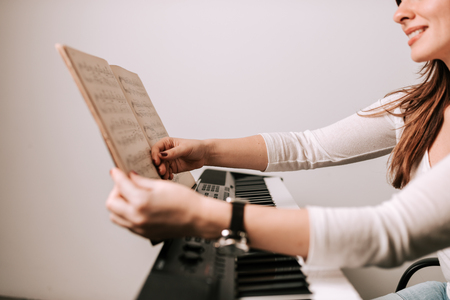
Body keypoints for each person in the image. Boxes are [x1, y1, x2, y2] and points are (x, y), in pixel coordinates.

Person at [106, 0, 450, 299]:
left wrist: (204, 215)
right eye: (399, 0)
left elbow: (386, 232)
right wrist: (204, 151)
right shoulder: (417, 107)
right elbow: (310, 146)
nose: (399, 14)